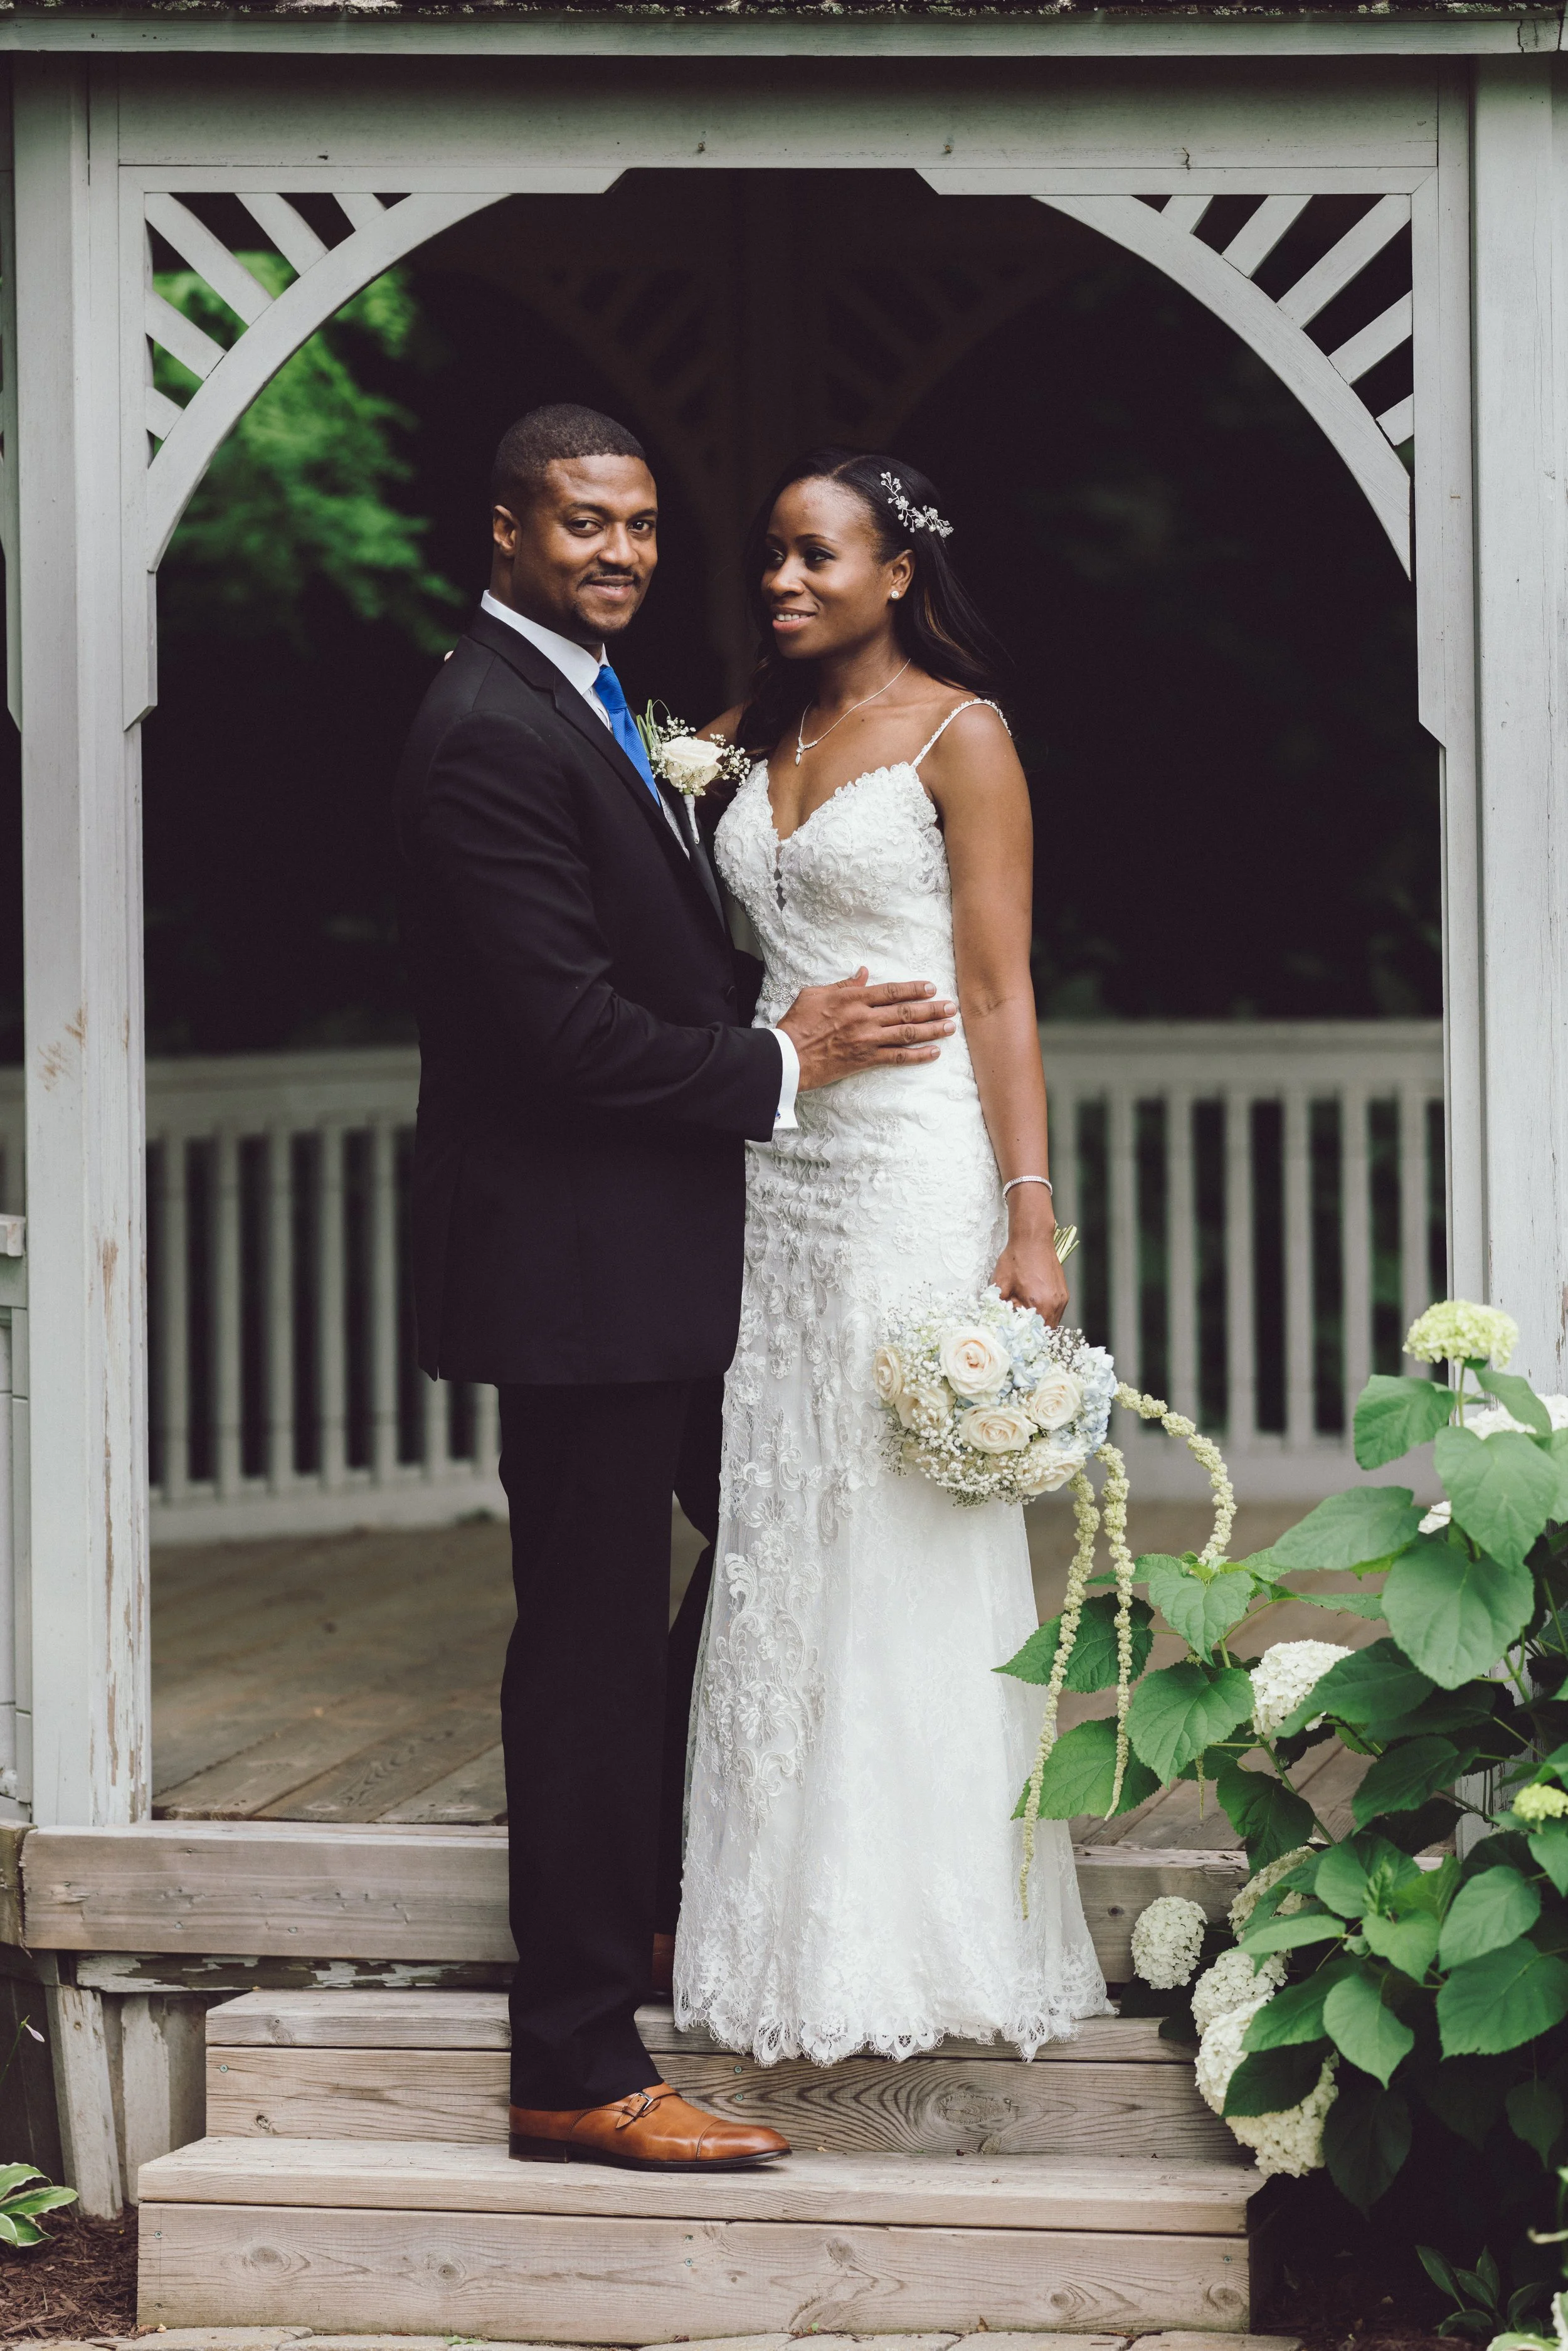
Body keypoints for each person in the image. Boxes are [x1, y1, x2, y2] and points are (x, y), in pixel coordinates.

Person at [394, 406, 958, 2169]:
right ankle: (574, 2054)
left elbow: (633, 944)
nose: (620, 552)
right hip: (570, 1264)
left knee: (760, 1532)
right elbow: (560, 1031)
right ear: (504, 532)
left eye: (639, 523)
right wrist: (775, 1058)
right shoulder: (487, 726)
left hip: (642, 1257)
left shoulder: (585, 704)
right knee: (573, 1657)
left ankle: (641, 1895)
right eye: (580, 524)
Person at [675, 448, 1109, 2062]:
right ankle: (766, 1915)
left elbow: (997, 989)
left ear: (895, 570)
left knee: (898, 1525)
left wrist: (1028, 1211)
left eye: (811, 557)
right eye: (769, 560)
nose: (780, 583)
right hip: (775, 1169)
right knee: (780, 1515)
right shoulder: (742, 738)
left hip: (913, 1166)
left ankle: (923, 1930)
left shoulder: (957, 734)